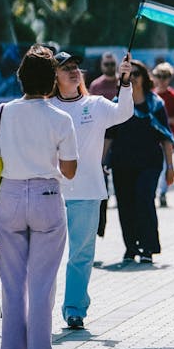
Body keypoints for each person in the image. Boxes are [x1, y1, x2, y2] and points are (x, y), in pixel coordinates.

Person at [0, 45, 78, 349]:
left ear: (20, 78)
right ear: (52, 82)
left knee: (13, 285)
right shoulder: (61, 118)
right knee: (42, 285)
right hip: (47, 196)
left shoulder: (1, 112)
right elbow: (69, 171)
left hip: (9, 195)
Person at [51, 50, 133, 329]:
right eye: (66, 68)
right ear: (55, 76)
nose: (74, 71)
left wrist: (124, 81)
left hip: (87, 192)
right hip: (50, 192)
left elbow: (124, 112)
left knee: (81, 255)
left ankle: (74, 309)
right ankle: (38, 309)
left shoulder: (96, 104)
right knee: (45, 255)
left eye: (76, 66)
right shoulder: (45, 106)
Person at [107, 60, 174, 265]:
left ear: (145, 78)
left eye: (137, 73)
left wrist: (170, 166)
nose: (134, 77)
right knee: (125, 204)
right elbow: (108, 136)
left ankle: (148, 247)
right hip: (122, 163)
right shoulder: (117, 103)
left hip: (149, 163)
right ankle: (131, 246)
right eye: (130, 73)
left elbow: (166, 137)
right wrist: (101, 162)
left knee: (144, 200)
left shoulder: (156, 104)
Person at [88, 52, 119, 235]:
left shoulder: (121, 84)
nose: (109, 67)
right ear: (101, 66)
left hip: (120, 137)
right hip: (102, 138)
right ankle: (100, 226)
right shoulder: (96, 86)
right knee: (102, 181)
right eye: (106, 64)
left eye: (112, 64)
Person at [152, 61, 174, 207]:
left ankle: (163, 192)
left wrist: (164, 121)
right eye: (159, 76)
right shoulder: (150, 95)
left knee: (167, 166)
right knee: (154, 166)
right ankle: (153, 191)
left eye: (165, 76)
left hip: (167, 137)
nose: (162, 79)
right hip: (151, 138)